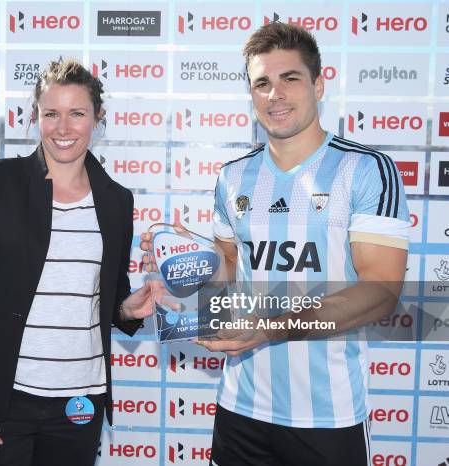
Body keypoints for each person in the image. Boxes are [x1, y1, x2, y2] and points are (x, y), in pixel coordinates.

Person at [142, 22, 409, 466]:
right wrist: (192, 257)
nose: (274, 94)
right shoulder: (233, 177)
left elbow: (381, 291)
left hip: (328, 418)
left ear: (319, 85)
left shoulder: (366, 170)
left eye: (290, 78)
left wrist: (271, 328)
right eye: (262, 83)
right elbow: (229, 269)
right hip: (239, 409)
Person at [0, 58, 153, 466]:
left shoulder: (117, 200)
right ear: (36, 117)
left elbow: (110, 295)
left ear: (97, 119)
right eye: (51, 114)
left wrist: (128, 308)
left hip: (79, 405)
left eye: (77, 114)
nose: (63, 128)